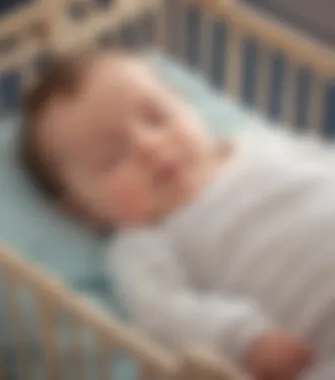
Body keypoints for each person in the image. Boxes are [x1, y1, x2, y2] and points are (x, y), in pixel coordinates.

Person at [21, 48, 335, 379]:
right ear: (82, 209)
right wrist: (245, 338)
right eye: (112, 157)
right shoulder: (143, 243)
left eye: (157, 117)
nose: (149, 145)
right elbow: (166, 314)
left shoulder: (257, 142)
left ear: (185, 105)